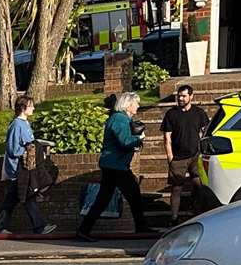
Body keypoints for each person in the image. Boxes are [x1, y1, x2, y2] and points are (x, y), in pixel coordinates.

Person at [77, 91, 153, 241]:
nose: (138, 106)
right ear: (128, 105)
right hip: (116, 165)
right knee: (133, 195)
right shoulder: (120, 119)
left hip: (114, 165)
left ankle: (84, 229)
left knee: (106, 198)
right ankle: (141, 226)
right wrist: (139, 138)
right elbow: (125, 142)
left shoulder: (119, 118)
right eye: (136, 103)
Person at [0, 95, 56, 235]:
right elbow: (13, 149)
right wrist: (30, 151)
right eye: (31, 105)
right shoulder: (17, 125)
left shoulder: (24, 124)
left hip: (24, 168)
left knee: (15, 199)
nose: (33, 108)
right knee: (27, 197)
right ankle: (39, 227)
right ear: (23, 108)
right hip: (19, 169)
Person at [161, 84, 210, 226]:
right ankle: (174, 218)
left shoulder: (199, 113)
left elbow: (204, 133)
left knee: (199, 184)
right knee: (176, 188)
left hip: (196, 155)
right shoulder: (171, 114)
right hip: (178, 157)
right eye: (179, 96)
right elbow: (167, 137)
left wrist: (202, 152)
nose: (181, 99)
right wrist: (170, 157)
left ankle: (199, 212)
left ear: (191, 96)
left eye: (184, 96)